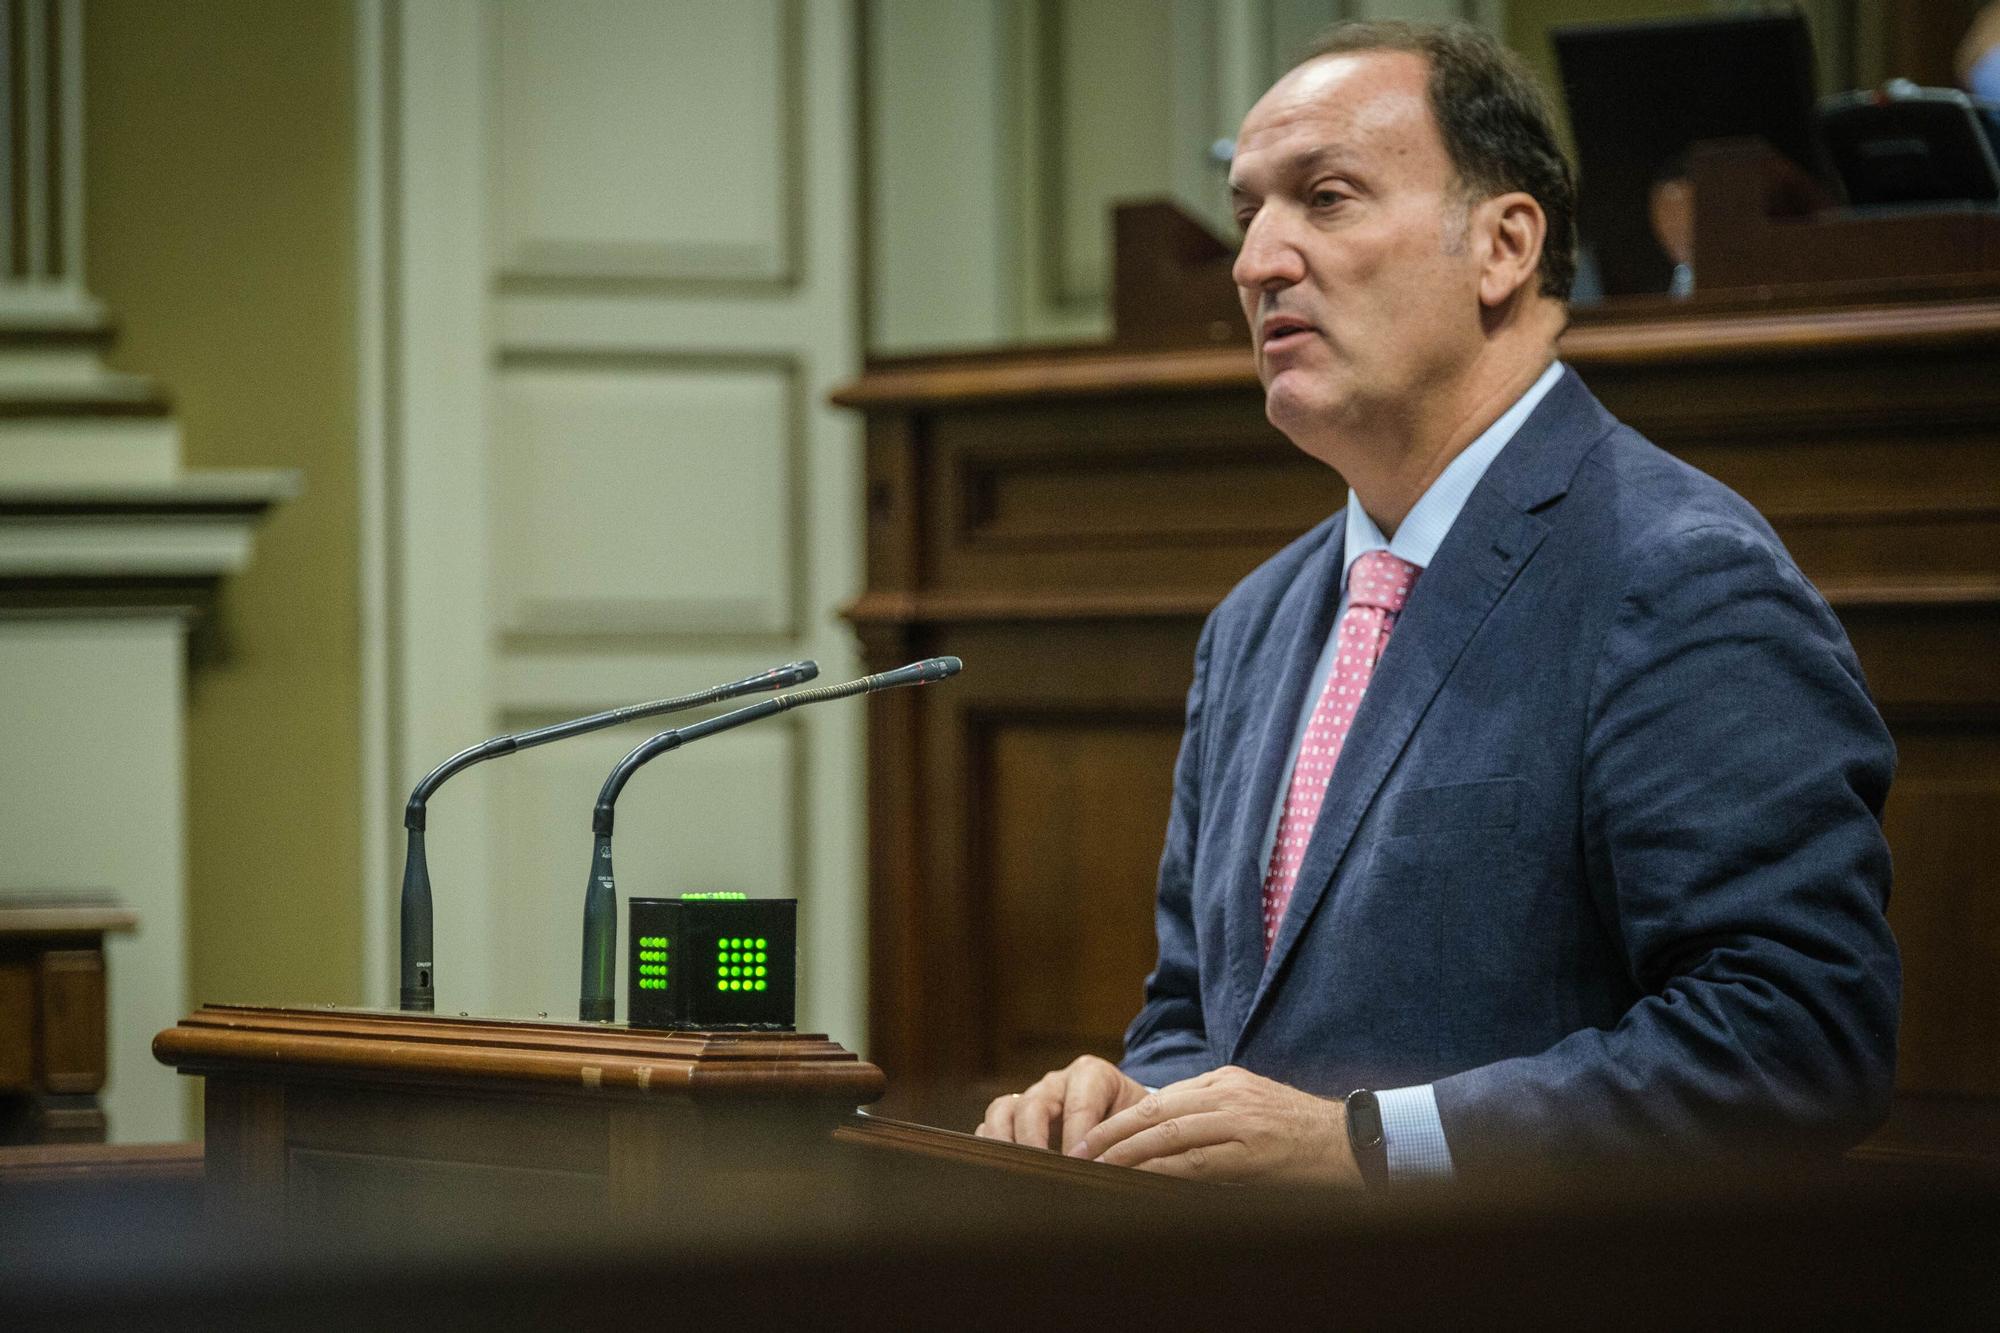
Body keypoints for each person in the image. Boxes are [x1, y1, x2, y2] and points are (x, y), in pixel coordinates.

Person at [975, 20, 1900, 1187]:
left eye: (1324, 197)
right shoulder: (1254, 623)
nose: (1257, 260)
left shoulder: (1676, 571)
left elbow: (1797, 1038)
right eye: (1246, 211)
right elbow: (1196, 1017)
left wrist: (1367, 1147)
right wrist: (1134, 1102)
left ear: (1503, 245)